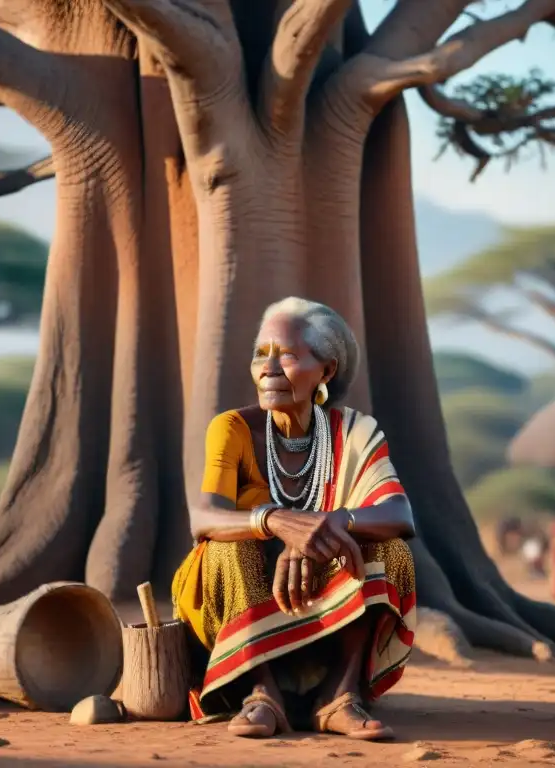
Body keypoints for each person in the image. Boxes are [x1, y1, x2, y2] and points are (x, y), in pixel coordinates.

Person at [172, 297, 417, 742]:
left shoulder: (354, 431)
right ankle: (261, 692)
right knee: (227, 547)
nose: (268, 368)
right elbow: (204, 517)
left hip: (319, 593)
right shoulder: (232, 429)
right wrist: (277, 522)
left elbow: (400, 514)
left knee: (391, 551)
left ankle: (339, 696)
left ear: (326, 371)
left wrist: (328, 526)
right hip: (240, 591)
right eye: (259, 355)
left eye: (286, 355)